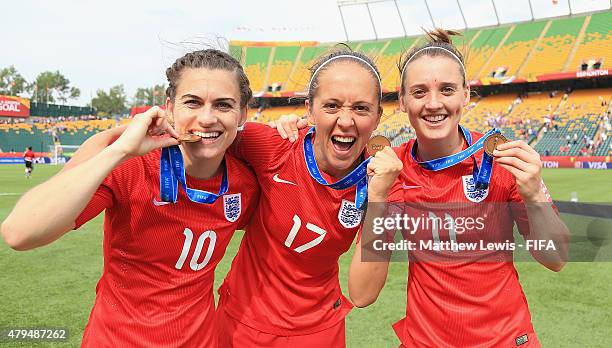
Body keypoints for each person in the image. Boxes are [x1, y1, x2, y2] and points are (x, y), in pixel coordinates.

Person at [1, 49, 259, 347]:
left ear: (242, 114)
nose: (206, 118)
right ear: (169, 108)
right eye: (193, 102)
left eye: (223, 105)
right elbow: (19, 233)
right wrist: (118, 150)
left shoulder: (246, 184)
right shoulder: (130, 167)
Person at [347, 29, 570, 347]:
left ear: (465, 94)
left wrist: (534, 195)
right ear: (403, 101)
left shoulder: (499, 159)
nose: (434, 103)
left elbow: (557, 258)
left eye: (447, 89)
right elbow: (361, 294)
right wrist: (379, 198)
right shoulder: (392, 168)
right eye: (420, 92)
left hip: (505, 340)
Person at [216, 49, 399, 347]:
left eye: (362, 109)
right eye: (331, 106)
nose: (346, 120)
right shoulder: (273, 145)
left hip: (320, 332)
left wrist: (379, 200)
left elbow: (363, 294)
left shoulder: (383, 179)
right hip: (242, 324)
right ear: (310, 110)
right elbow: (204, 141)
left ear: (378, 117)